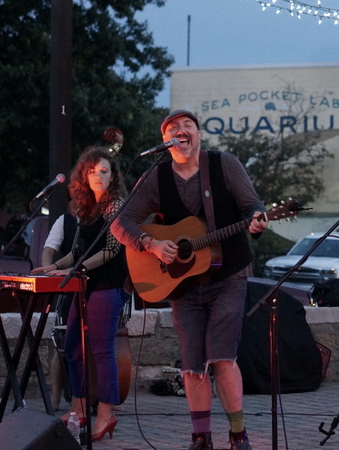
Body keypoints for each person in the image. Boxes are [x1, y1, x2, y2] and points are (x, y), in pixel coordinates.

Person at [111, 110, 268, 450]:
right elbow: (120, 223)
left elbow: (252, 205)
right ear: (165, 141)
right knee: (193, 363)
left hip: (228, 274)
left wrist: (257, 218)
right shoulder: (156, 176)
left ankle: (238, 434)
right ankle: (200, 437)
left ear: (198, 135)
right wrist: (151, 244)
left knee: (222, 356)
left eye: (187, 126)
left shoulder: (224, 164)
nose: (181, 131)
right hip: (182, 282)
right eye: (173, 128)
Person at [32, 147, 128, 441]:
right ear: (84, 176)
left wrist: (73, 271)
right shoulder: (85, 208)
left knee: (102, 350)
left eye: (104, 171)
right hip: (84, 284)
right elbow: (76, 251)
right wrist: (54, 267)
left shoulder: (116, 205)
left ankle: (106, 415)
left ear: (113, 177)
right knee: (72, 346)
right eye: (92, 171)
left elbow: (111, 250)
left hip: (107, 285)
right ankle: (79, 408)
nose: (98, 176)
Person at [40, 211, 78, 411]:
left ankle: (97, 396)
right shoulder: (64, 220)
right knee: (60, 344)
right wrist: (48, 271)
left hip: (96, 286)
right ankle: (55, 397)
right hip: (69, 288)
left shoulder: (103, 216)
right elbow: (48, 250)